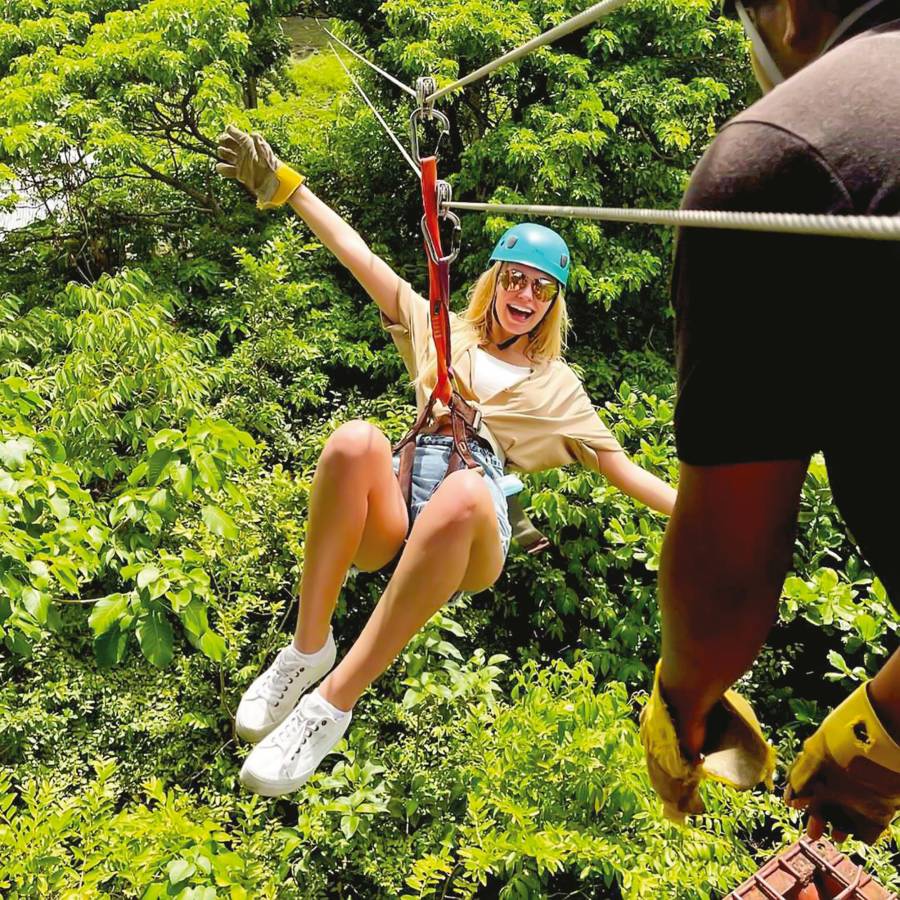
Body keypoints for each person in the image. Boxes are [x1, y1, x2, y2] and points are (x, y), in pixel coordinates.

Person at [215, 126, 677, 797]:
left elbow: (624, 471)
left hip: (473, 528)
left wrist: (711, 514)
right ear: (493, 281)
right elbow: (357, 255)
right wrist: (287, 187)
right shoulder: (441, 328)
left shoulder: (556, 386)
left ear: (552, 304)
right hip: (400, 510)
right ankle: (307, 650)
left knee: (463, 489)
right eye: (515, 279)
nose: (525, 295)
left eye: (540, 290)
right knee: (352, 440)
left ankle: (330, 707)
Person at [639, 0, 900, 844]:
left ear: (784, 10)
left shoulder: (791, 153)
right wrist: (884, 727)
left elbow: (730, 569)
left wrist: (684, 702)